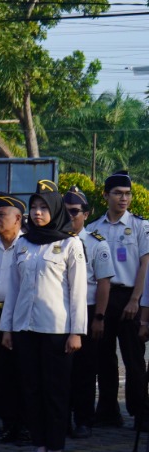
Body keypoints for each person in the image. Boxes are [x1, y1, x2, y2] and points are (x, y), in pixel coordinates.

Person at [0, 184, 87, 452]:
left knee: (55, 391)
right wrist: (8, 328)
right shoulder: (23, 244)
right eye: (34, 208)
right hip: (25, 328)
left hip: (56, 330)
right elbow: (12, 289)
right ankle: (39, 446)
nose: (38, 213)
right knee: (31, 389)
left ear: (56, 210)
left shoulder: (70, 244)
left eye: (44, 208)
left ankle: (55, 449)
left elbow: (77, 293)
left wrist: (76, 332)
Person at [87, 172, 148, 429]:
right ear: (105, 196)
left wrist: (136, 299)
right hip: (104, 296)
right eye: (118, 193)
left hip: (129, 295)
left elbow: (145, 263)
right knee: (104, 357)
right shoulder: (94, 229)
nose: (124, 198)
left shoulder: (140, 226)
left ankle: (141, 412)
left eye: (127, 193)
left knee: (134, 359)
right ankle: (108, 411)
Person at [62, 186, 114, 439]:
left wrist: (99, 318)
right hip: (61, 312)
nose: (70, 216)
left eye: (74, 212)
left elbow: (104, 283)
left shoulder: (95, 243)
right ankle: (62, 419)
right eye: (65, 211)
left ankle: (84, 419)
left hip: (88, 309)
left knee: (84, 370)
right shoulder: (55, 242)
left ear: (86, 213)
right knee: (62, 371)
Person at [0, 193, 30, 446]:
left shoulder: (28, 246)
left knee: (21, 371)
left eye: (2, 215)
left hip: (21, 315)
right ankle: (7, 424)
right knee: (0, 373)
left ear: (18, 218)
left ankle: (24, 425)